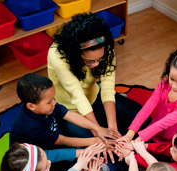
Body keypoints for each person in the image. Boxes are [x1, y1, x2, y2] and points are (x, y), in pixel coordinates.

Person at [48, 13, 149, 151]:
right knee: (98, 146)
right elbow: (77, 96)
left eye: (99, 59)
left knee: (144, 120)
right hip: (70, 109)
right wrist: (97, 131)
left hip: (94, 97)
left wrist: (112, 128)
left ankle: (106, 120)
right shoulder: (57, 54)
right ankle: (99, 123)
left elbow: (107, 89)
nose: (96, 64)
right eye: (89, 61)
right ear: (75, 54)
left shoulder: (106, 48)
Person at [117, 48, 177, 144]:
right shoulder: (163, 86)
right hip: (157, 131)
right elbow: (147, 108)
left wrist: (136, 142)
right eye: (172, 79)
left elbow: (164, 122)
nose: (174, 86)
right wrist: (129, 135)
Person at [10, 73, 113, 151]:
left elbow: (70, 115)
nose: (54, 103)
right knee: (71, 158)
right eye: (49, 101)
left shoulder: (49, 105)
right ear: (31, 106)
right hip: (36, 155)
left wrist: (97, 128)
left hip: (50, 139)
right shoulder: (31, 126)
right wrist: (96, 142)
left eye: (54, 98)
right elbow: (63, 140)